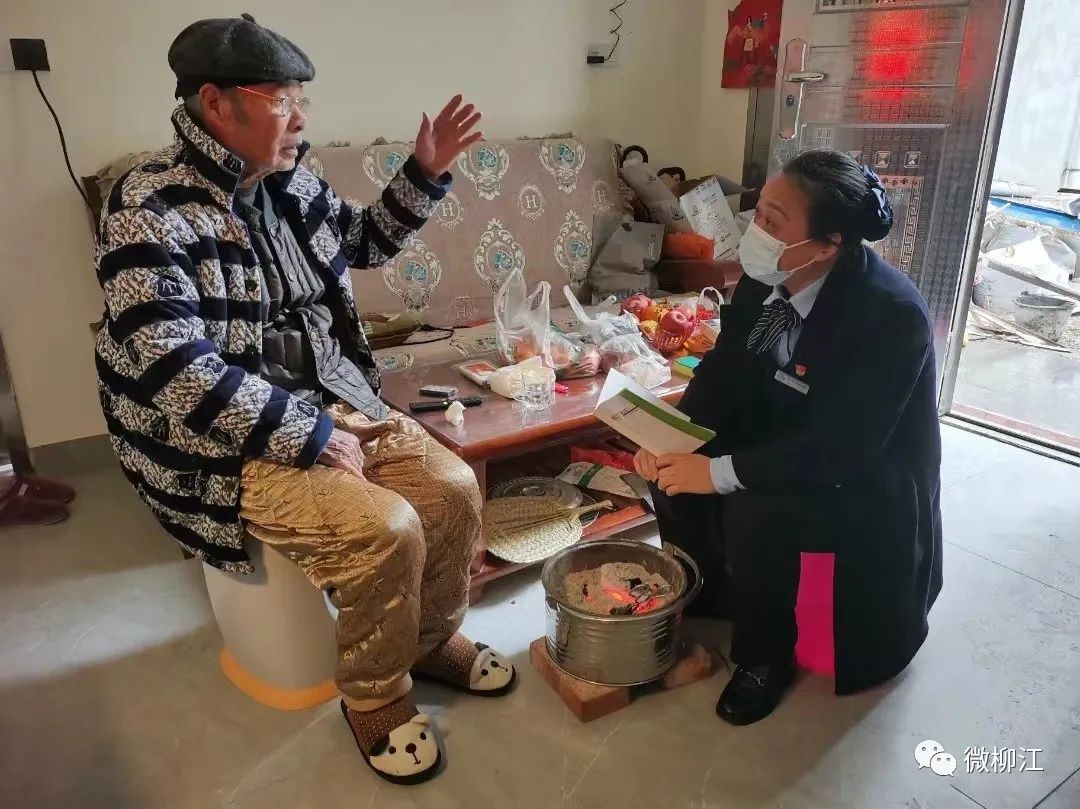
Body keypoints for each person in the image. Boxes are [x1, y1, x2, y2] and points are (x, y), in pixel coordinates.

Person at [94, 14, 514, 784]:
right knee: (386, 529)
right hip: (222, 439)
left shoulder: (292, 178)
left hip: (333, 392)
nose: (300, 118)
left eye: (301, 100)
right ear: (216, 104)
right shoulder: (146, 205)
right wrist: (308, 433)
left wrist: (424, 171)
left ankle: (428, 641)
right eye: (283, 100)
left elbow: (363, 241)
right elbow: (174, 369)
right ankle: (376, 694)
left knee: (453, 490)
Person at [636, 150, 942, 726]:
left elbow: (844, 448)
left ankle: (762, 657)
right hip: (788, 427)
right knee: (673, 474)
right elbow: (726, 369)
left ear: (827, 245)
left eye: (772, 222)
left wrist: (720, 472)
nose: (755, 230)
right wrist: (674, 438)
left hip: (861, 473)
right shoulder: (767, 277)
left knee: (756, 509)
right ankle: (710, 595)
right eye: (758, 212)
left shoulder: (890, 315)